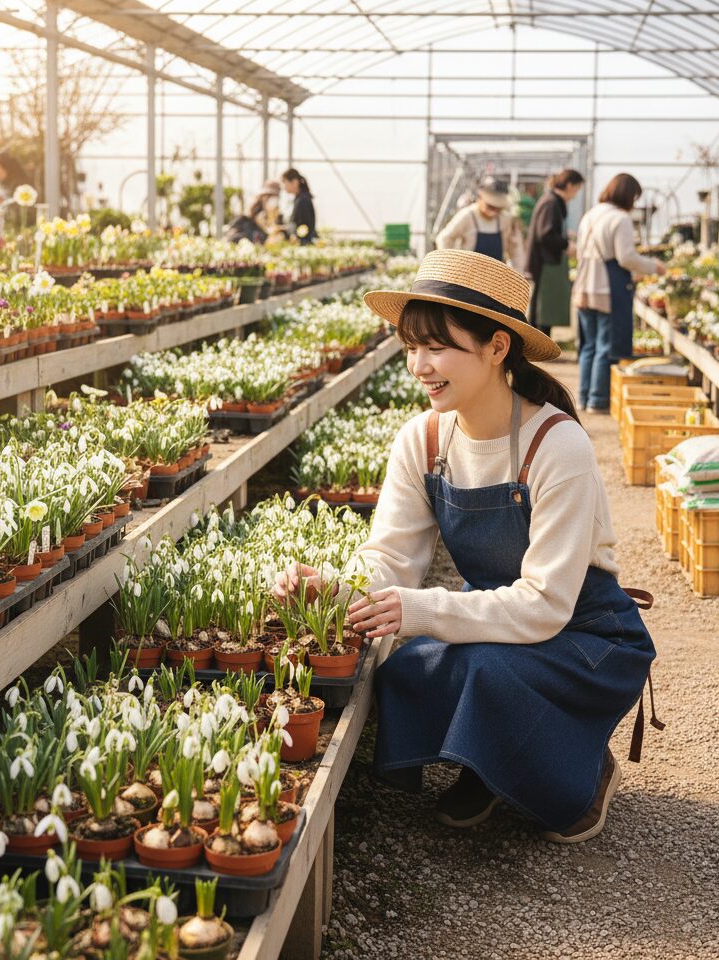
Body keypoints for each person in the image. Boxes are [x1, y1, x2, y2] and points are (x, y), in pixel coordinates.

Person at [273, 249, 658, 843]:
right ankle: (490, 762)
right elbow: (391, 558)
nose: (418, 366)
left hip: (584, 633)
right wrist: (335, 585)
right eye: (410, 347)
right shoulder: (424, 439)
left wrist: (421, 609)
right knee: (407, 671)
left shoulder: (556, 446)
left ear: (498, 347)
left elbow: (545, 604)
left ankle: (582, 775)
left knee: (482, 670)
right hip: (505, 621)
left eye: (437, 347)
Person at [572, 173, 665, 413]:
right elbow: (625, 258)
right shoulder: (620, 218)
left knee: (589, 345)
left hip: (583, 285)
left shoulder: (590, 215)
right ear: (628, 195)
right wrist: (654, 267)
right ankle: (598, 399)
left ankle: (583, 397)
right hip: (606, 288)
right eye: (634, 197)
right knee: (606, 345)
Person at [524, 169, 585, 336]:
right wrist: (566, 245)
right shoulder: (551, 203)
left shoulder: (551, 201)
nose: (576, 194)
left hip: (548, 263)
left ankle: (539, 345)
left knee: (545, 309)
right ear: (570, 185)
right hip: (546, 264)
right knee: (543, 309)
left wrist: (566, 235)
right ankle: (537, 346)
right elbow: (546, 234)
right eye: (577, 188)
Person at [435, 176, 525, 272]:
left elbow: (516, 250)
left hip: (496, 277)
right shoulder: (467, 215)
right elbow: (444, 238)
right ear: (479, 198)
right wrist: (452, 266)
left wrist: (517, 274)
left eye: (497, 208)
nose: (493, 212)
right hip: (468, 275)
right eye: (490, 206)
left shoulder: (505, 219)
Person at [281, 168, 316, 244]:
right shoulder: (300, 198)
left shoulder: (302, 200)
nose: (284, 187)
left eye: (285, 182)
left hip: (304, 242)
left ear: (295, 182)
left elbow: (303, 226)